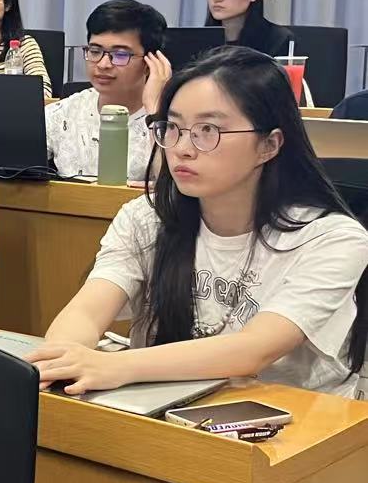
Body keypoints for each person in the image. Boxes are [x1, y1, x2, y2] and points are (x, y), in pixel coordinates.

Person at [31, 47, 368, 398]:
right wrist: (61, 358)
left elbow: (254, 349)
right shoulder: (147, 218)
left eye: (208, 130)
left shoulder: (333, 239)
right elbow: (86, 313)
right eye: (173, 128)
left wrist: (114, 366)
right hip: (167, 408)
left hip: (293, 418)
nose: (182, 148)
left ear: (269, 145)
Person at [45, 0, 169, 181]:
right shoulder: (62, 113)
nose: (103, 64)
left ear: (150, 63)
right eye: (95, 51)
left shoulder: (173, 120)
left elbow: (171, 186)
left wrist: (154, 112)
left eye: (120, 55)